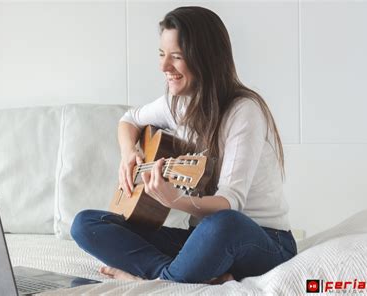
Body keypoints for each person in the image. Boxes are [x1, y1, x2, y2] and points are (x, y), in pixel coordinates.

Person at [71, 6, 297, 284]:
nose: (164, 67)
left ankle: (144, 281)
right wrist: (129, 153)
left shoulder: (243, 111)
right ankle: (181, 276)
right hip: (201, 239)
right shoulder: (176, 103)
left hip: (262, 240)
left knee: (223, 223)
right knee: (86, 225)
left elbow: (230, 203)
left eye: (176, 57)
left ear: (206, 59)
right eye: (161, 55)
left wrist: (174, 200)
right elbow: (128, 120)